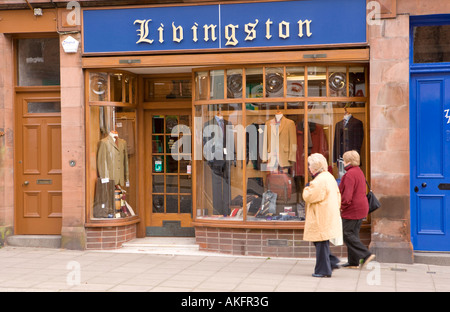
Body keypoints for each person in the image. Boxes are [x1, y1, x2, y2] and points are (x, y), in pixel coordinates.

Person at [303, 153, 343, 278]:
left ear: (315, 167)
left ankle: (323, 270)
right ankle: (331, 261)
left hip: (321, 216)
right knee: (321, 242)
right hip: (327, 213)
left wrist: (306, 188)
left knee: (320, 242)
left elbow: (309, 196)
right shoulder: (328, 177)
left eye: (310, 165)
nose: (309, 167)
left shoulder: (319, 180)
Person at [339, 150, 375, 268]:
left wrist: (342, 207)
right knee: (353, 233)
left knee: (346, 233)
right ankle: (353, 262)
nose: (343, 162)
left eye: (344, 160)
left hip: (352, 209)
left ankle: (365, 255)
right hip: (361, 208)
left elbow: (347, 196)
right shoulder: (358, 171)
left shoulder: (349, 174)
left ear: (348, 161)